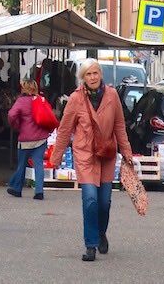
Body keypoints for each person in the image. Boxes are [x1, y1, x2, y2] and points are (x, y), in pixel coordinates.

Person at [50, 59, 134, 262]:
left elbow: (120, 126)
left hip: (106, 153)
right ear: (83, 78)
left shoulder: (112, 95)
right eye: (88, 74)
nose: (93, 77)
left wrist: (127, 152)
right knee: (90, 199)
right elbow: (65, 129)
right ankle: (90, 245)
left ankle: (100, 232)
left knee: (104, 202)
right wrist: (57, 155)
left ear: (101, 75)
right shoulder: (75, 98)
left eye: (95, 73)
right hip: (85, 154)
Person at [6, 79, 53, 200]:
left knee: (21, 165)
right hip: (41, 138)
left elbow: (11, 115)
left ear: (24, 88)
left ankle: (17, 189)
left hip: (25, 139)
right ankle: (39, 191)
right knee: (38, 165)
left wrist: (16, 125)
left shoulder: (21, 101)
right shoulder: (41, 99)